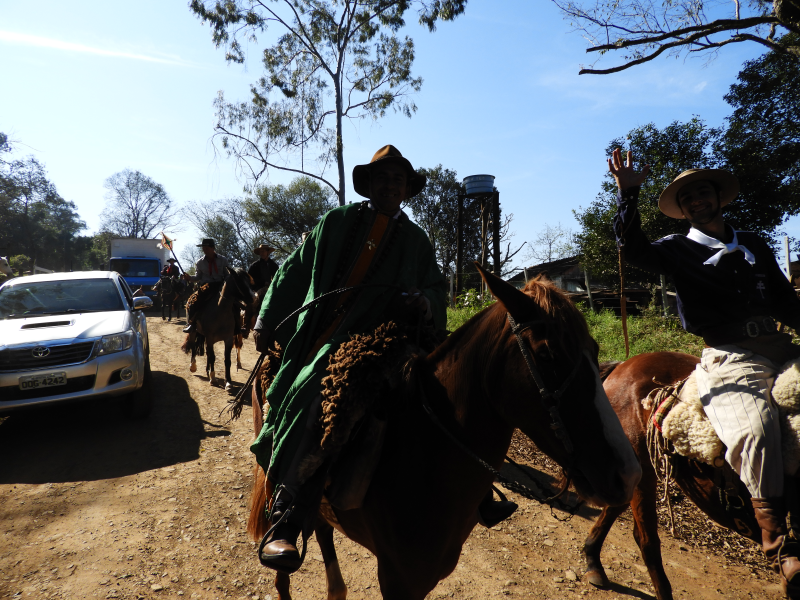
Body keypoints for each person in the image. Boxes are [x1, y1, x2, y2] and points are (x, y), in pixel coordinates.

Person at [250, 145, 515, 574]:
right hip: (332, 338)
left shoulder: (416, 240)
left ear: (406, 189)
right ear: (369, 184)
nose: (390, 185)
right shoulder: (334, 223)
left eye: (398, 179)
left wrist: (425, 303)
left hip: (396, 337)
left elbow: (435, 288)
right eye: (382, 178)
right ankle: (287, 516)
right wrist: (266, 316)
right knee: (316, 391)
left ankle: (479, 494)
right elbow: (294, 270)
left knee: (447, 389)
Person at [610, 148, 800, 598]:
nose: (697, 199)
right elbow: (631, 248)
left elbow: (784, 301)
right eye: (688, 196)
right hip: (730, 356)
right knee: (754, 431)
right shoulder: (676, 250)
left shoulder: (753, 242)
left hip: (780, 347)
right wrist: (627, 195)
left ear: (718, 198)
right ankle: (778, 536)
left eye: (703, 191)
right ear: (683, 209)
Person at [182, 239, 231, 334]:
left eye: (207, 248)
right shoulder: (200, 262)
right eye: (203, 248)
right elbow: (198, 277)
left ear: (213, 248)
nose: (204, 250)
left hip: (220, 285)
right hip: (206, 287)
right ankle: (192, 324)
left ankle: (238, 325)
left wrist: (227, 282)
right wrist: (189, 278)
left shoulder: (223, 260)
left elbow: (227, 274)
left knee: (234, 302)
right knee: (194, 302)